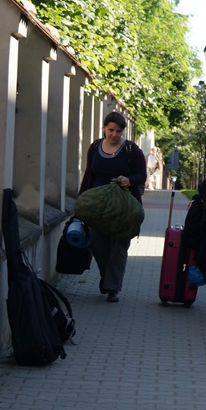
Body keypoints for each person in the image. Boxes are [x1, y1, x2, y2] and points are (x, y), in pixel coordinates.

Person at [78, 112, 147, 303]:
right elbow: (88, 176)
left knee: (119, 246)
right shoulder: (94, 148)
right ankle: (107, 279)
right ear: (104, 128)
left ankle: (112, 288)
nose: (114, 135)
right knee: (98, 244)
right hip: (98, 207)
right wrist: (80, 202)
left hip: (125, 207)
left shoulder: (131, 150)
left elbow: (142, 176)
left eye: (118, 131)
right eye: (111, 130)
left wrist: (129, 180)